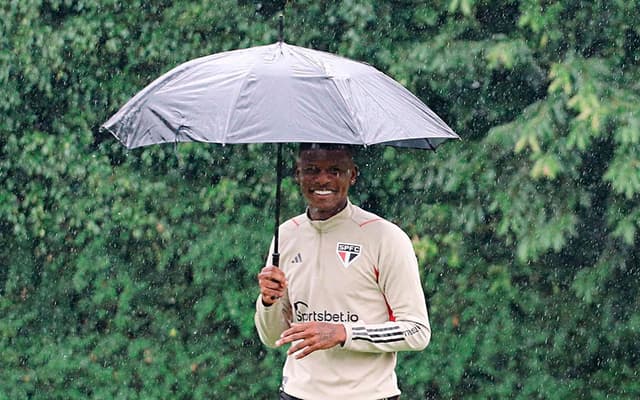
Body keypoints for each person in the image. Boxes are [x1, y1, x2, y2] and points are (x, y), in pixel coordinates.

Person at [255, 143, 430, 400]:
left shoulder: (385, 237)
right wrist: (268, 301)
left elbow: (416, 331)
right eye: (312, 170)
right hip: (296, 394)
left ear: (353, 174)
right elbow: (272, 338)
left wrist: (344, 333)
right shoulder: (286, 235)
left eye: (335, 170)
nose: (323, 179)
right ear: (298, 174)